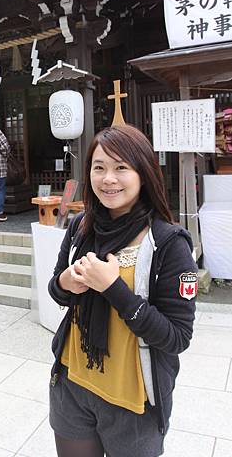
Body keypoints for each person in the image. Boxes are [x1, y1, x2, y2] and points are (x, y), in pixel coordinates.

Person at [48, 125, 198, 457]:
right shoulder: (81, 227)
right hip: (72, 384)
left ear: (143, 173)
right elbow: (57, 289)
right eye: (99, 167)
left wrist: (114, 289)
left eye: (121, 168)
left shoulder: (169, 243)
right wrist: (65, 283)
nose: (108, 179)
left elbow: (177, 336)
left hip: (134, 402)